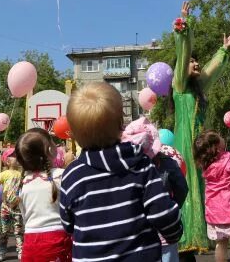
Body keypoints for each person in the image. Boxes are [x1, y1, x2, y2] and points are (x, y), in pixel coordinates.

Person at [59, 82, 183, 262]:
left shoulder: (72, 176)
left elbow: (67, 223)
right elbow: (162, 213)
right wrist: (174, 233)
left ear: (74, 135)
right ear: (121, 124)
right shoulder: (140, 166)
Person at [170, 0, 230, 252]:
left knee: (208, 188)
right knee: (188, 189)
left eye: (197, 63)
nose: (196, 65)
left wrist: (223, 50)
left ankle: (207, 234)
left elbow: (213, 68)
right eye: (192, 63)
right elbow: (183, 54)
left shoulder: (199, 89)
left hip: (201, 147)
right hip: (184, 145)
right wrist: (184, 25)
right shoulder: (179, 87)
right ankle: (186, 236)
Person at [121, 117, 189, 262]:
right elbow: (182, 188)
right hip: (165, 231)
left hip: (136, 234)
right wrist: (173, 207)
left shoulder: (124, 168)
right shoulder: (167, 163)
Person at [194, 130, 230, 262]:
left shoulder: (206, 164)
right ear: (217, 146)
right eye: (220, 137)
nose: (222, 137)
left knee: (221, 243)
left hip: (214, 212)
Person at [14, 129, 70, 262]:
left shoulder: (23, 183)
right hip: (58, 240)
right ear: (50, 149)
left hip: (30, 243)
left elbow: (24, 215)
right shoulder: (62, 175)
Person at [0, 148, 23, 262]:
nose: (16, 158)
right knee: (4, 231)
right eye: (13, 156)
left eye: (16, 155)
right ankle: (2, 252)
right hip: (5, 207)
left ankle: (21, 252)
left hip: (17, 207)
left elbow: (23, 189)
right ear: (7, 161)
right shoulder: (3, 174)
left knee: (18, 231)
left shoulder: (21, 174)